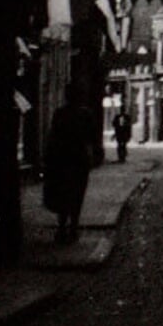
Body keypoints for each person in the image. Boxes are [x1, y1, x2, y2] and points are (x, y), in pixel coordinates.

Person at [43, 83, 94, 244]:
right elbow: (90, 138)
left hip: (63, 159)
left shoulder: (60, 113)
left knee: (63, 193)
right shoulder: (86, 114)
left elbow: (53, 136)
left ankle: (62, 227)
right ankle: (73, 227)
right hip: (78, 159)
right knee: (77, 194)